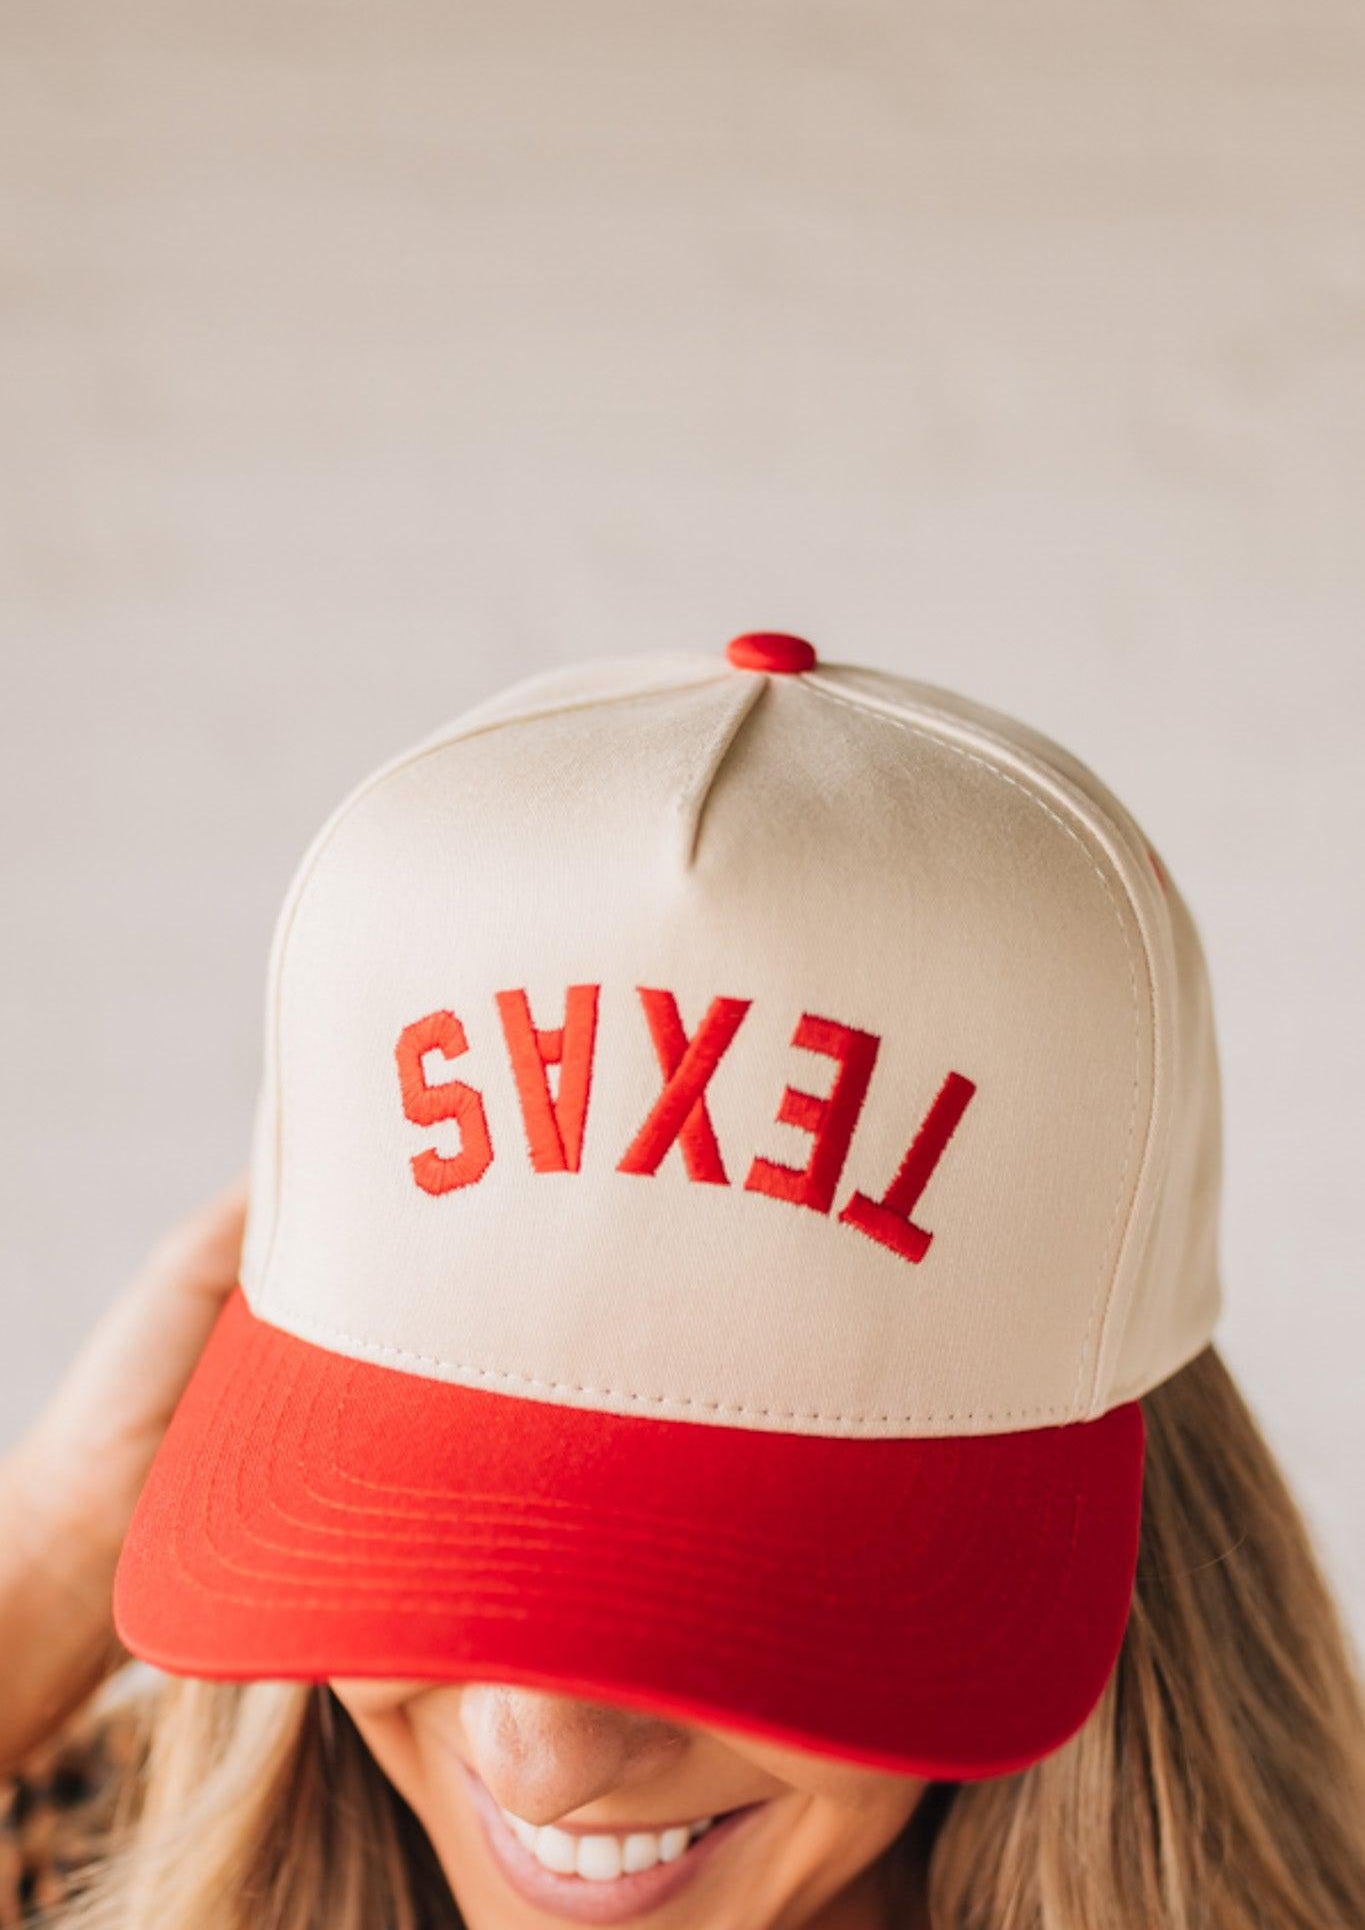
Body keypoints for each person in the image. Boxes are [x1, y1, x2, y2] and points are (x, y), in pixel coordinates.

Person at [3, 634, 1364, 1930]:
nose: (543, 1766)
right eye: (422, 1542)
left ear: (1125, 1541)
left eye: (727, 1600)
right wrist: (62, 1552)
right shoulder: (96, 1860)